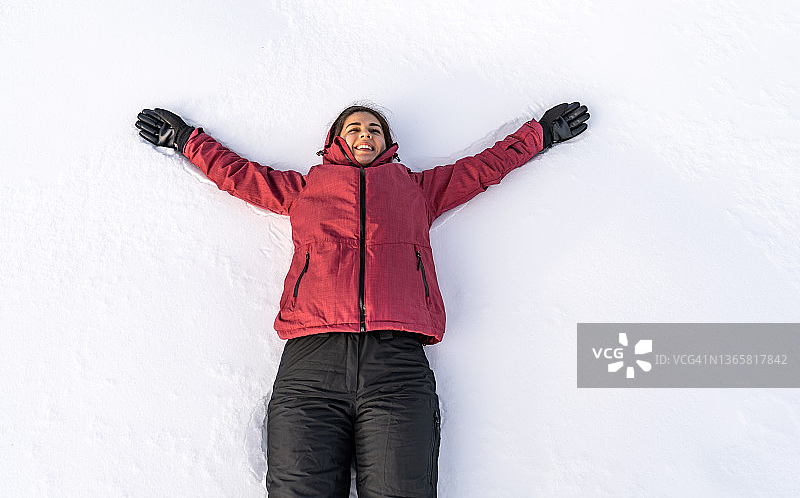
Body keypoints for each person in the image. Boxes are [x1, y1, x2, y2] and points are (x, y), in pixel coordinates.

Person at [135, 101, 589, 497]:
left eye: (374, 129)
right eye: (353, 129)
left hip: (397, 369)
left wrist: (540, 135)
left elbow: (483, 168)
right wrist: (187, 140)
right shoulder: (305, 190)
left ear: (388, 144)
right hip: (311, 369)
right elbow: (240, 175)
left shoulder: (417, 189)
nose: (364, 135)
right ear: (334, 141)